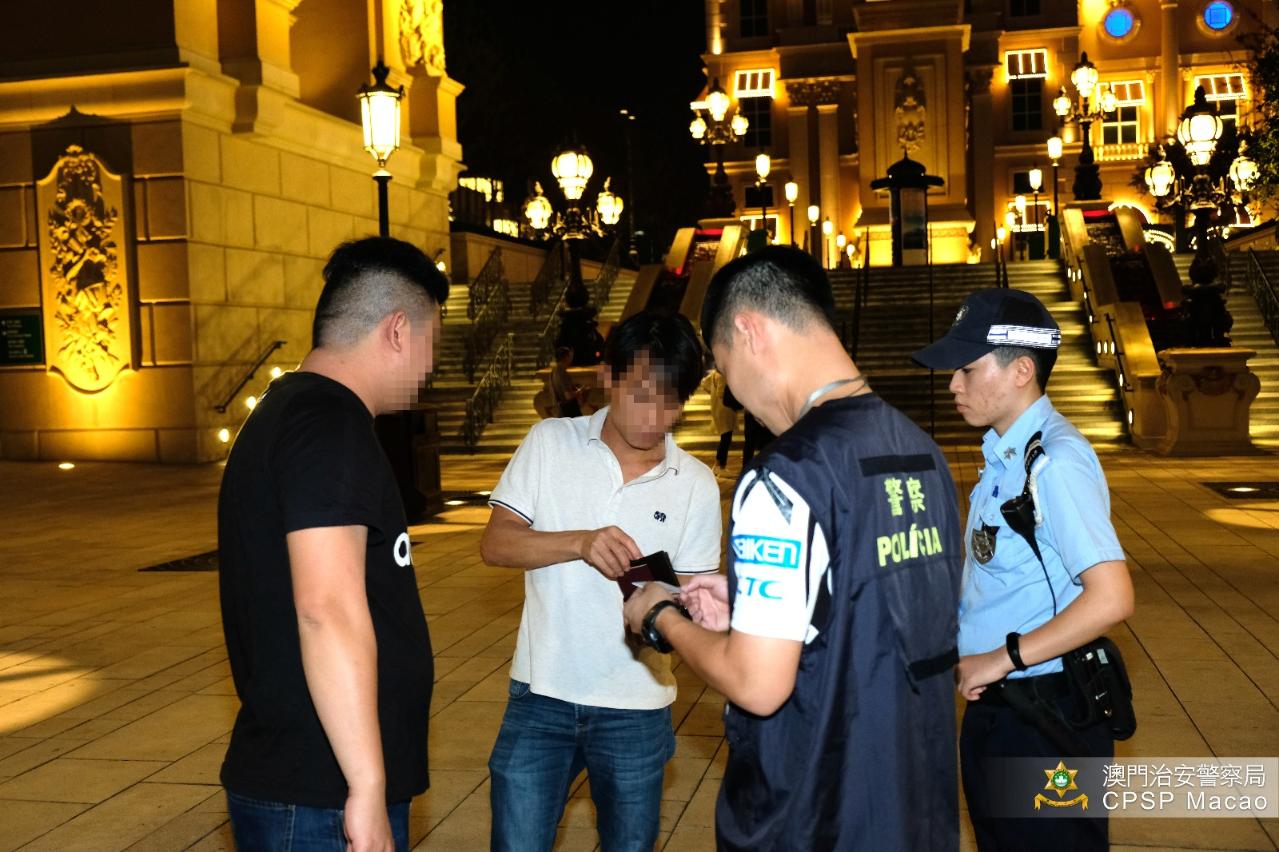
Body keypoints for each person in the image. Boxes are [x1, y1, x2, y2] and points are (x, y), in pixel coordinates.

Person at [624, 246, 964, 851]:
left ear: (749, 331)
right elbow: (873, 611)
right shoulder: (921, 451)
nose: (738, 396)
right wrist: (755, 604)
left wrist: (661, 616)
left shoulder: (784, 476)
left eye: (726, 370)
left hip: (816, 813)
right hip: (913, 805)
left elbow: (758, 684)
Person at [217, 236, 447, 852]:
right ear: (397, 330)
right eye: (431, 343)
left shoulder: (288, 411)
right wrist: (366, 786)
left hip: (308, 781)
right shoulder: (328, 423)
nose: (430, 366)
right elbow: (327, 609)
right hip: (321, 794)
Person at [480, 309, 722, 852]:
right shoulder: (550, 442)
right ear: (608, 377)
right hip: (541, 695)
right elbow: (496, 544)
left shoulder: (695, 483)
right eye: (641, 394)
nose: (654, 417)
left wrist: (672, 608)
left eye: (672, 401)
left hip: (637, 704)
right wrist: (580, 542)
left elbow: (697, 600)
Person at [910, 288, 1134, 851]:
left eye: (967, 369)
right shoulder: (1006, 455)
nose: (953, 384)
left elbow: (1111, 596)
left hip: (1048, 716)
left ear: (1022, 371)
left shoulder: (1055, 462)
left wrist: (1000, 658)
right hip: (1004, 706)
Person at [697, 367, 737, 476]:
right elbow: (721, 393)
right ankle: (719, 465)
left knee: (725, 437)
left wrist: (711, 392)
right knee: (726, 439)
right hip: (725, 410)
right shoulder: (722, 376)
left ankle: (719, 464)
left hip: (717, 408)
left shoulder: (714, 374)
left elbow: (704, 383)